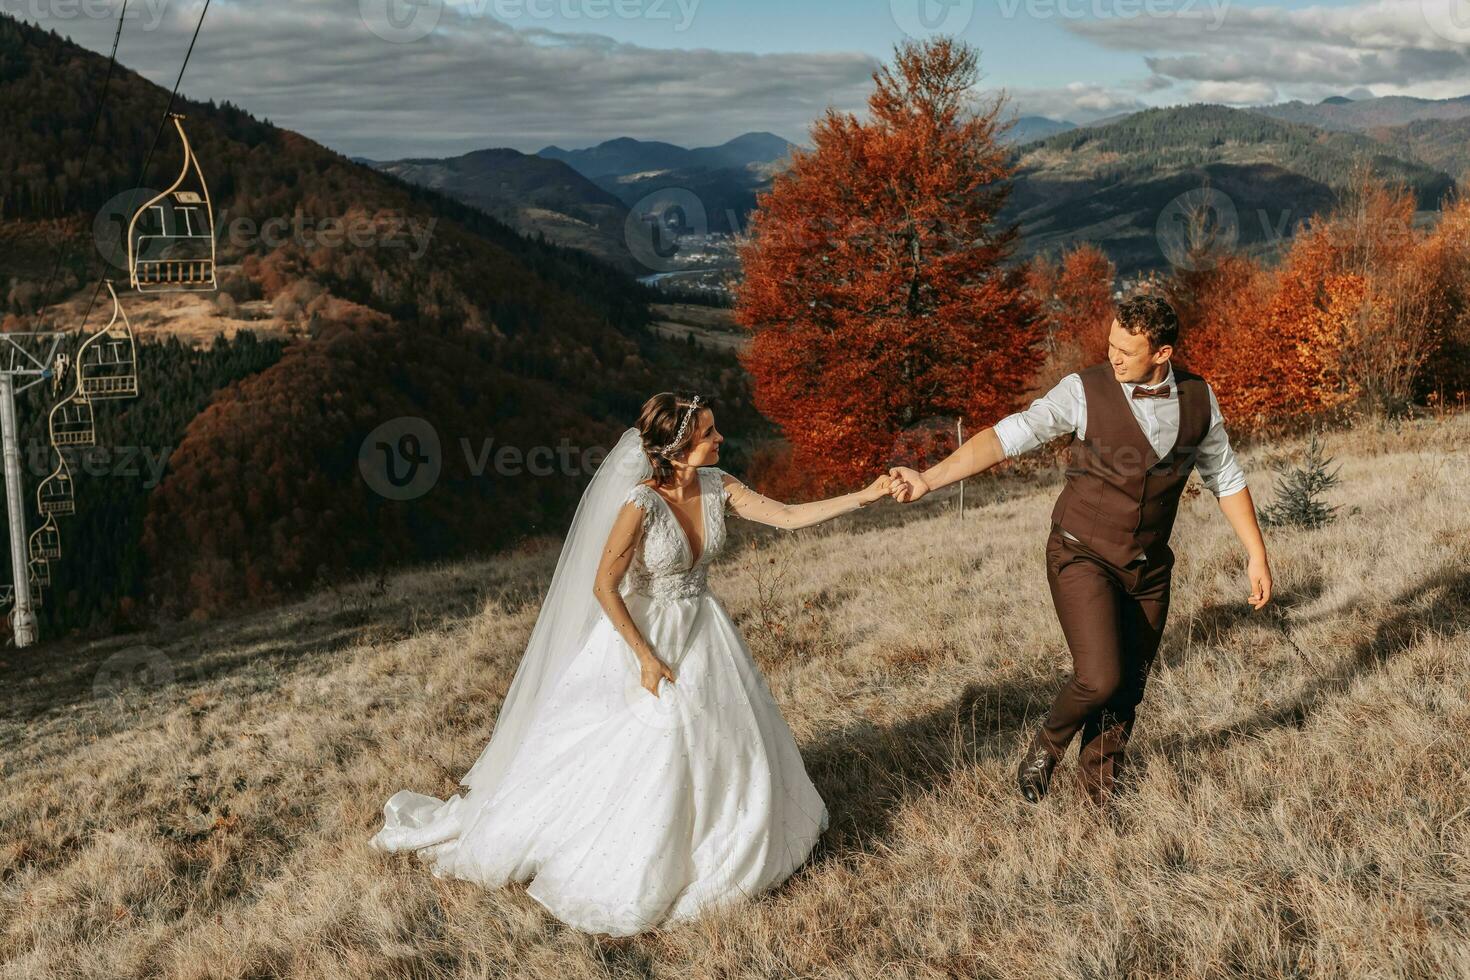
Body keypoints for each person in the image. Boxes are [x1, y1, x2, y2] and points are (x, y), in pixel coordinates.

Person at [370, 391, 892, 936]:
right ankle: (638, 850)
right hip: (643, 636)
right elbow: (604, 586)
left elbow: (787, 515)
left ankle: (728, 835)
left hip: (703, 627)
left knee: (724, 736)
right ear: (677, 448)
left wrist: (868, 494)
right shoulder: (639, 504)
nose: (720, 440)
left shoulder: (719, 485)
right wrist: (645, 657)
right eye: (709, 434)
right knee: (657, 739)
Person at [888, 294, 1273, 805]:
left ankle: (1098, 795)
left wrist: (1256, 554)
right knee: (1099, 677)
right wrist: (929, 480)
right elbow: (1005, 438)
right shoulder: (1083, 391)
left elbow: (1225, 477)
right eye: (1110, 344)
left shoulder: (1200, 399)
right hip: (1081, 553)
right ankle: (1047, 744)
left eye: (1126, 351)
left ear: (1163, 353)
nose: (1112, 357)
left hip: (1150, 567)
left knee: (1129, 687)